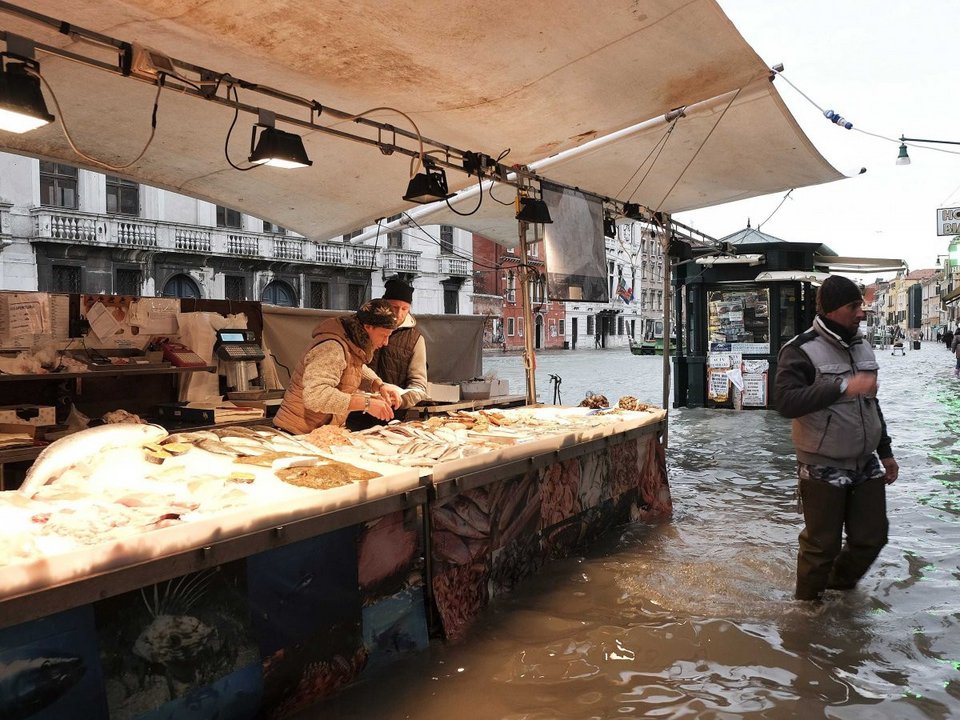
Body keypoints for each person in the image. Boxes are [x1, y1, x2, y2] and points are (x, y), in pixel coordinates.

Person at [774, 275, 899, 602]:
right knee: (821, 546)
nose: (861, 313)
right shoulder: (799, 350)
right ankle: (807, 614)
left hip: (866, 462)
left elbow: (871, 403)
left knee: (872, 538)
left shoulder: (863, 346)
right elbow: (785, 402)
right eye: (853, 306)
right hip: (821, 463)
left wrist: (886, 452)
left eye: (861, 304)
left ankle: (836, 589)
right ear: (831, 310)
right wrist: (842, 387)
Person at [274, 299, 403, 434]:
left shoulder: (351, 341)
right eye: (384, 335)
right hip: (295, 433)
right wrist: (366, 403)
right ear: (368, 327)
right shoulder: (332, 347)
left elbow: (351, 367)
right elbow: (316, 396)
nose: (386, 342)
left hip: (317, 433)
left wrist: (378, 385)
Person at [347, 278, 428, 429]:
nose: (398, 313)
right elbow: (352, 369)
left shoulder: (415, 340)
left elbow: (419, 386)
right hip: (355, 413)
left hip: (392, 418)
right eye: (394, 307)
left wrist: (400, 399)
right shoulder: (361, 331)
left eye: (405, 308)